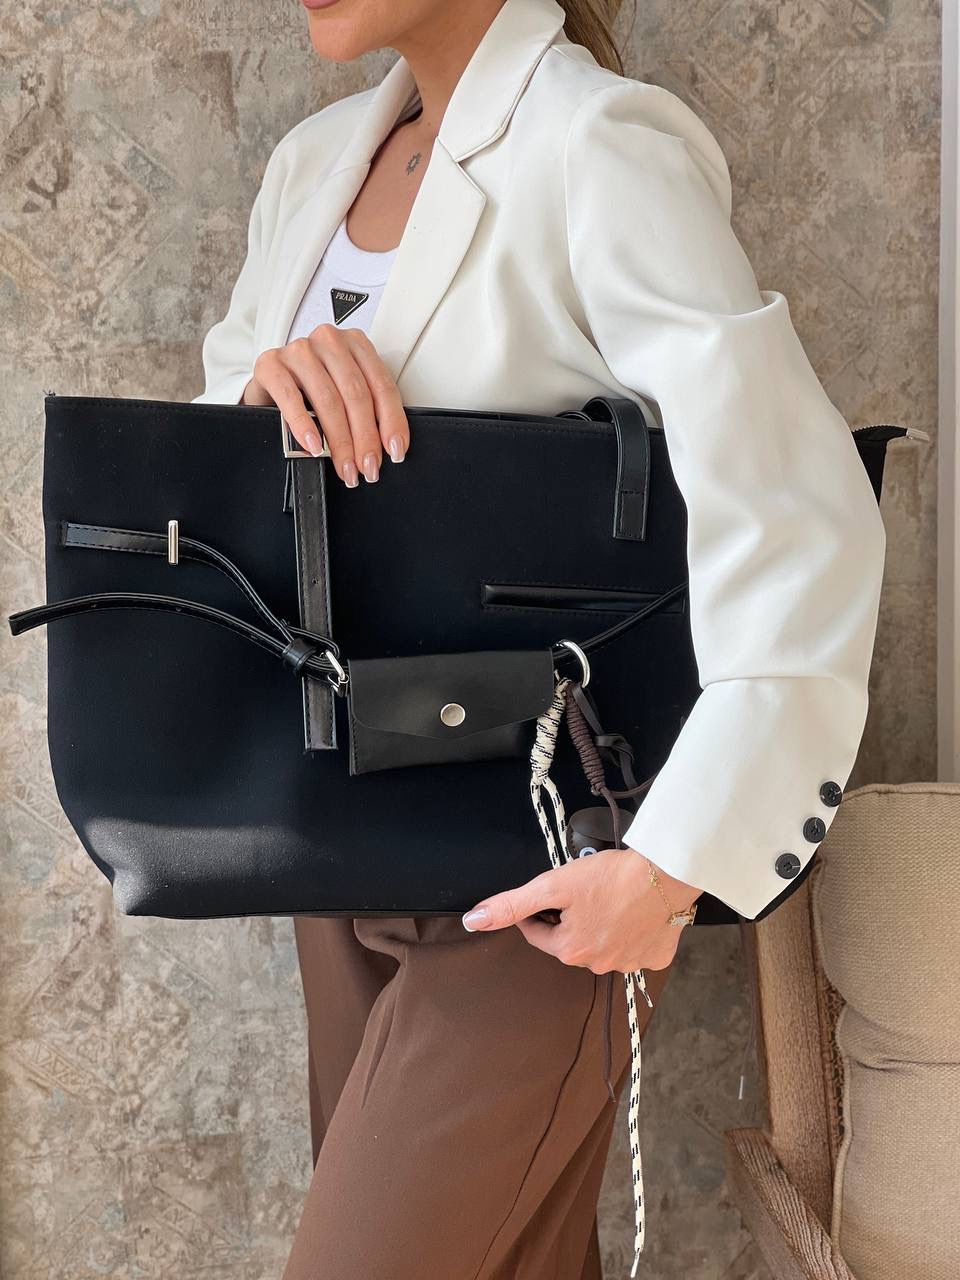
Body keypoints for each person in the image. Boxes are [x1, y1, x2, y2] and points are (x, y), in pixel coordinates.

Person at [191, 0, 887, 1275]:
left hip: (541, 860)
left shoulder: (599, 144)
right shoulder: (312, 166)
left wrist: (672, 864)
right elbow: (212, 473)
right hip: (336, 832)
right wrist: (259, 393)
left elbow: (800, 510)